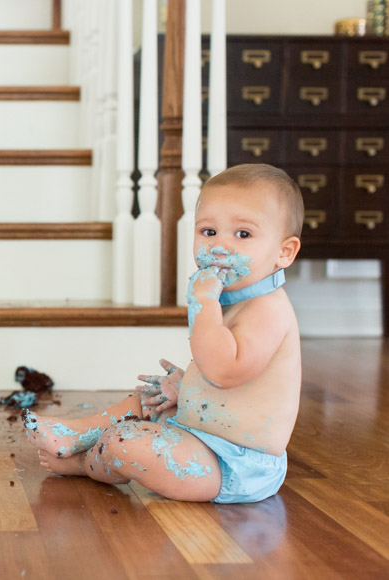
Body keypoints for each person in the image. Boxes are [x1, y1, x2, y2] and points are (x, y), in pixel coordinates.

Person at [24, 163, 304, 503]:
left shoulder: (268, 310)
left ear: (284, 252)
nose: (219, 246)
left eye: (243, 234)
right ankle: (76, 433)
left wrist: (202, 301)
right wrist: (185, 388)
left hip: (233, 464)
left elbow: (224, 371)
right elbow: (235, 393)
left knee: (124, 442)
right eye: (208, 232)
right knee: (147, 400)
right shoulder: (233, 298)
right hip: (202, 433)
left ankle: (85, 463)